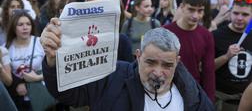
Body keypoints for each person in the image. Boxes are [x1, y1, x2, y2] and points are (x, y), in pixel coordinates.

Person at [41, 26, 214, 110]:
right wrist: (53, 61)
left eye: (167, 65)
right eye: (150, 62)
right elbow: (68, 94)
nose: (158, 72)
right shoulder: (112, 76)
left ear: (177, 62)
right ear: (138, 56)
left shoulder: (191, 93)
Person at [164, 0, 215, 102]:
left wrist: (209, 102)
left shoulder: (206, 36)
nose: (195, 15)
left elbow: (209, 72)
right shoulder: (165, 32)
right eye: (191, 9)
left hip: (193, 94)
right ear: (182, 7)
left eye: (200, 10)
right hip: (166, 92)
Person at [212, 0, 252, 111]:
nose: (239, 18)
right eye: (235, 13)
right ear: (230, 13)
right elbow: (204, 69)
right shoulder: (216, 36)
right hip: (221, 100)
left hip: (248, 100)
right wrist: (226, 56)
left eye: (245, 14)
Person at [5, 10, 45, 111]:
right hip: (19, 99)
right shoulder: (6, 48)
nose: (25, 27)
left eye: (28, 24)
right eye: (20, 24)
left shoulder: (40, 43)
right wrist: (17, 84)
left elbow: (54, 70)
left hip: (41, 95)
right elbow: (6, 77)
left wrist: (38, 78)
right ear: (13, 27)